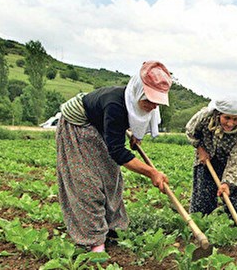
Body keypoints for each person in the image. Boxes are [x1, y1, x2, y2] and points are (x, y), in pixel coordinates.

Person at [55, 61, 171, 253]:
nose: (152, 106)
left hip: (98, 125)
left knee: (111, 178)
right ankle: (92, 240)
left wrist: (136, 135)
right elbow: (117, 151)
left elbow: (134, 120)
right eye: (148, 101)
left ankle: (114, 229)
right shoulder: (115, 104)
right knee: (86, 182)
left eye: (156, 102)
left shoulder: (142, 104)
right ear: (138, 93)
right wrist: (151, 172)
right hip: (77, 125)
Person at [185, 97, 237, 231]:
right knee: (203, 187)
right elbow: (190, 131)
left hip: (229, 159)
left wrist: (226, 183)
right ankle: (199, 219)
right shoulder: (204, 117)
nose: (230, 123)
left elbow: (236, 159)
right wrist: (200, 149)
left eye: (235, 119)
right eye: (227, 118)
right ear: (218, 114)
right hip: (206, 155)